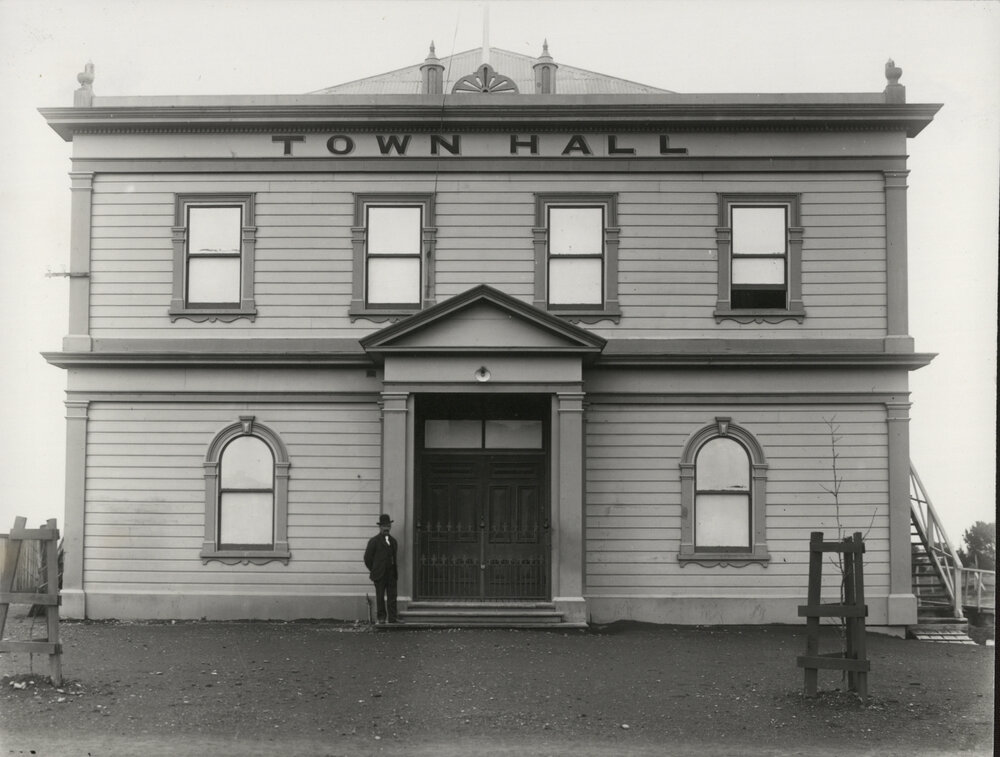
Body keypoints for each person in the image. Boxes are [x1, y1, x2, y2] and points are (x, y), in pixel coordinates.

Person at [364, 513, 401, 624]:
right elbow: (367, 558)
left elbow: (394, 558)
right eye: (384, 526)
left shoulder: (394, 542)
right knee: (380, 597)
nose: (386, 528)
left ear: (390, 527)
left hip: (391, 574)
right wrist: (374, 569)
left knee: (392, 596)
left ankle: (393, 618)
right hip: (379, 574)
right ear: (380, 527)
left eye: (388, 526)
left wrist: (393, 571)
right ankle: (381, 618)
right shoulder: (374, 541)